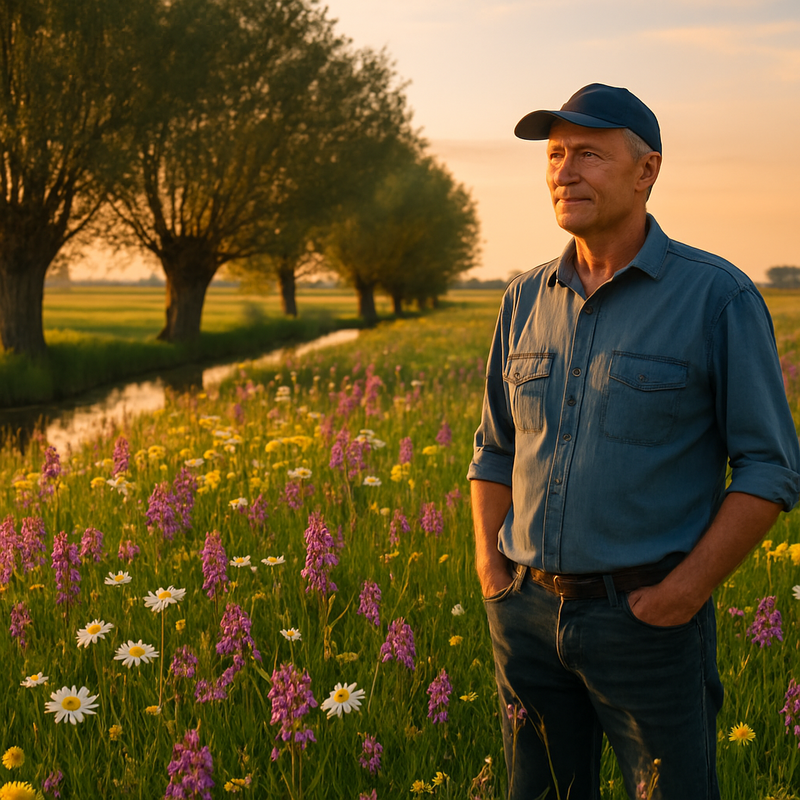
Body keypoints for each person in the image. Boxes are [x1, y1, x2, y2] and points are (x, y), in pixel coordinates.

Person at [467, 83, 800, 800]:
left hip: (647, 624)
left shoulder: (718, 297)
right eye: (555, 155)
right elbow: (493, 449)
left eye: (588, 153)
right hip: (526, 616)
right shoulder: (523, 298)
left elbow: (770, 468)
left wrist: (681, 595)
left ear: (647, 170)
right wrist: (494, 575)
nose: (564, 171)